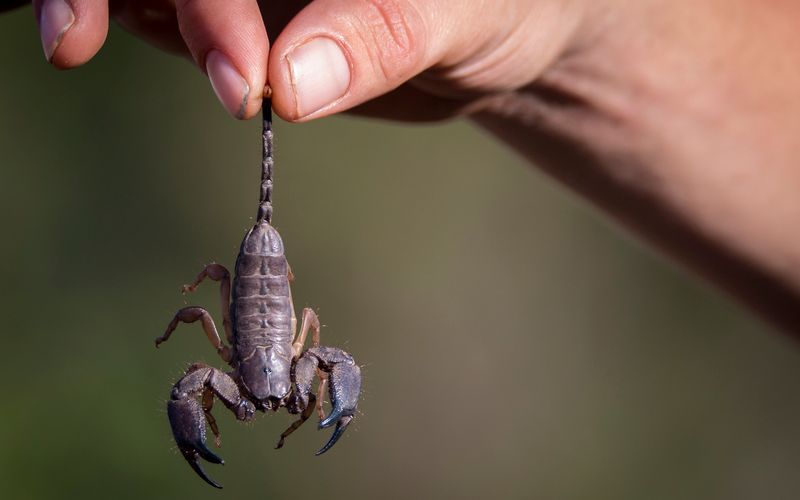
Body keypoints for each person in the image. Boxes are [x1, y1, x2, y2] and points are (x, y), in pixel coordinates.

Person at [5, 0, 800, 331]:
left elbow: (314, 337)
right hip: (262, 281)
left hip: (258, 282)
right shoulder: (286, 334)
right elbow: (306, 330)